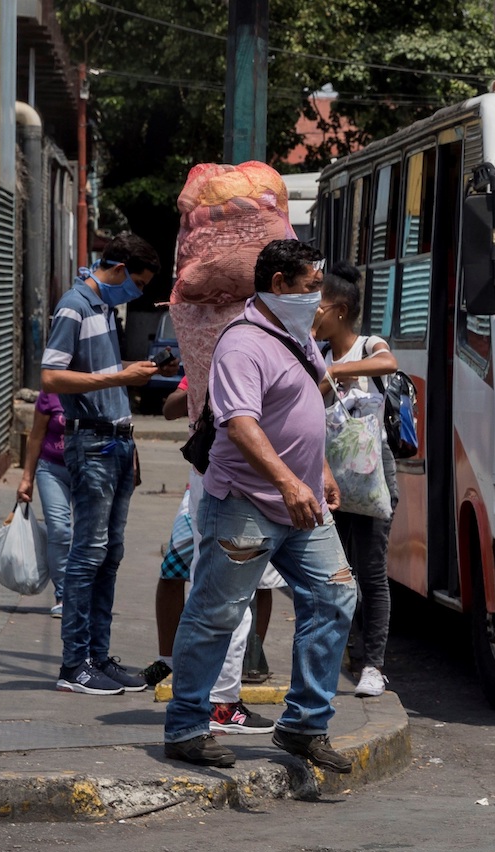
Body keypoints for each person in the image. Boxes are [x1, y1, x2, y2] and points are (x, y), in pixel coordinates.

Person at [162, 239, 356, 771]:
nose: (317, 300)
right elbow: (241, 423)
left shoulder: (299, 337)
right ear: (279, 286)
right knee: (216, 613)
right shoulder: (242, 344)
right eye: (310, 288)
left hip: (304, 503)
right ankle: (185, 727)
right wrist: (288, 483)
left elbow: (309, 402)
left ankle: (303, 726)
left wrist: (319, 473)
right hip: (247, 503)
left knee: (335, 596)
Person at [41, 234, 163, 695]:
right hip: (91, 443)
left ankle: (97, 656)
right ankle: (74, 665)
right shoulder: (73, 306)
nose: (136, 293)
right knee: (88, 554)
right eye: (136, 282)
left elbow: (101, 373)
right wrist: (118, 376)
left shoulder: (103, 309)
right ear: (115, 268)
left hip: (117, 442)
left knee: (110, 555)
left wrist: (134, 372)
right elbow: (51, 376)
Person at [141, 379, 280, 735]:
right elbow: (172, 407)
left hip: (218, 480)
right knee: (223, 595)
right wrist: (205, 387)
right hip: (229, 480)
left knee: (228, 594)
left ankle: (212, 698)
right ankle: (217, 703)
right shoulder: (229, 349)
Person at [317, 262, 398, 699]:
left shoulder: (367, 345)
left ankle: (374, 665)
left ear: (341, 311)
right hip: (331, 473)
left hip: (372, 475)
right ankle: (345, 655)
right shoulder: (320, 355)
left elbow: (389, 361)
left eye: (320, 307)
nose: (313, 315)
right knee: (337, 572)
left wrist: (342, 373)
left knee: (371, 571)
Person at [16, 390, 71, 619]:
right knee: (59, 530)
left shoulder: (98, 384)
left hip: (89, 468)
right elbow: (36, 435)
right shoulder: (50, 393)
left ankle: (86, 594)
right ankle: (63, 596)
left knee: (91, 537)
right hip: (52, 470)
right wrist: (27, 478)